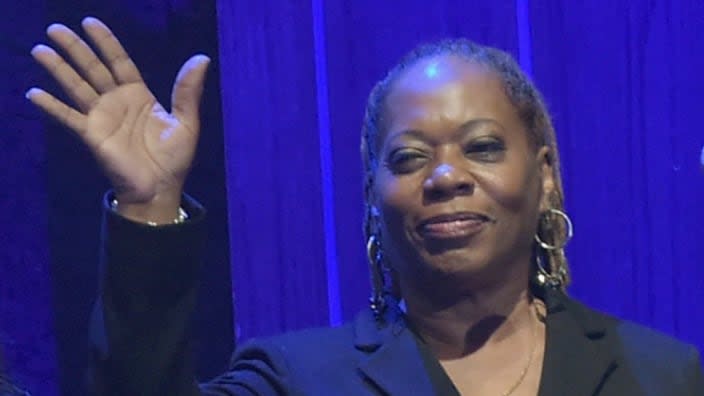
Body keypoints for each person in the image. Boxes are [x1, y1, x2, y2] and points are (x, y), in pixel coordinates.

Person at [27, 16, 702, 396]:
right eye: (409, 157)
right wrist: (150, 207)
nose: (444, 176)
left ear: (545, 176)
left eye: (482, 147)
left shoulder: (663, 375)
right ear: (373, 201)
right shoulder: (298, 380)